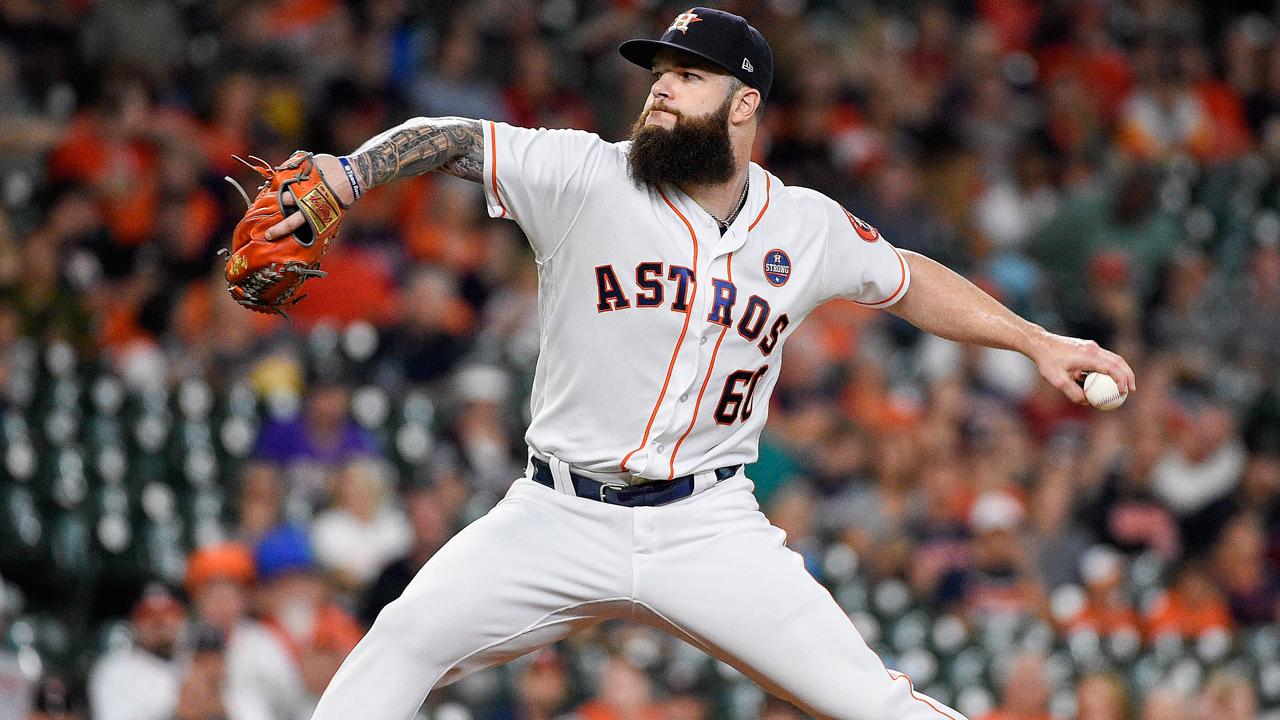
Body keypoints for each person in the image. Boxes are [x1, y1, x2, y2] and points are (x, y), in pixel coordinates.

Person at [262, 8, 1135, 720]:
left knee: (876, 705)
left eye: (687, 77)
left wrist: (1036, 340)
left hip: (707, 525)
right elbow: (453, 136)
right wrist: (349, 172)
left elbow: (909, 281)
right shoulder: (584, 176)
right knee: (399, 644)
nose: (662, 92)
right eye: (657, 77)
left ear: (744, 102)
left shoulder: (806, 225)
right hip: (556, 515)